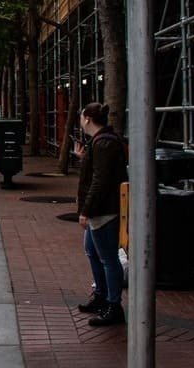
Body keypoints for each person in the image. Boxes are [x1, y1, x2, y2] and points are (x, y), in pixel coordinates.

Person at [73, 102, 129, 327]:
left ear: (87, 118)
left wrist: (86, 211)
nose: (80, 120)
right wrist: (83, 158)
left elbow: (101, 181)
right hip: (101, 209)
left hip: (104, 211)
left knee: (107, 258)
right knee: (93, 251)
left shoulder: (103, 143)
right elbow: (100, 173)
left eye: (81, 117)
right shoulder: (100, 142)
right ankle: (102, 297)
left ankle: (113, 305)